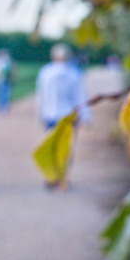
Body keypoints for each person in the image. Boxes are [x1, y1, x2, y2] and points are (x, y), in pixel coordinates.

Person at [35, 44, 91, 189]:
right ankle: (62, 177)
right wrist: (85, 116)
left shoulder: (46, 72)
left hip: (52, 115)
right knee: (66, 148)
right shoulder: (73, 73)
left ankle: (53, 176)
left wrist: (39, 114)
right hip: (67, 116)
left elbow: (41, 96)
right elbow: (80, 96)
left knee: (52, 147)